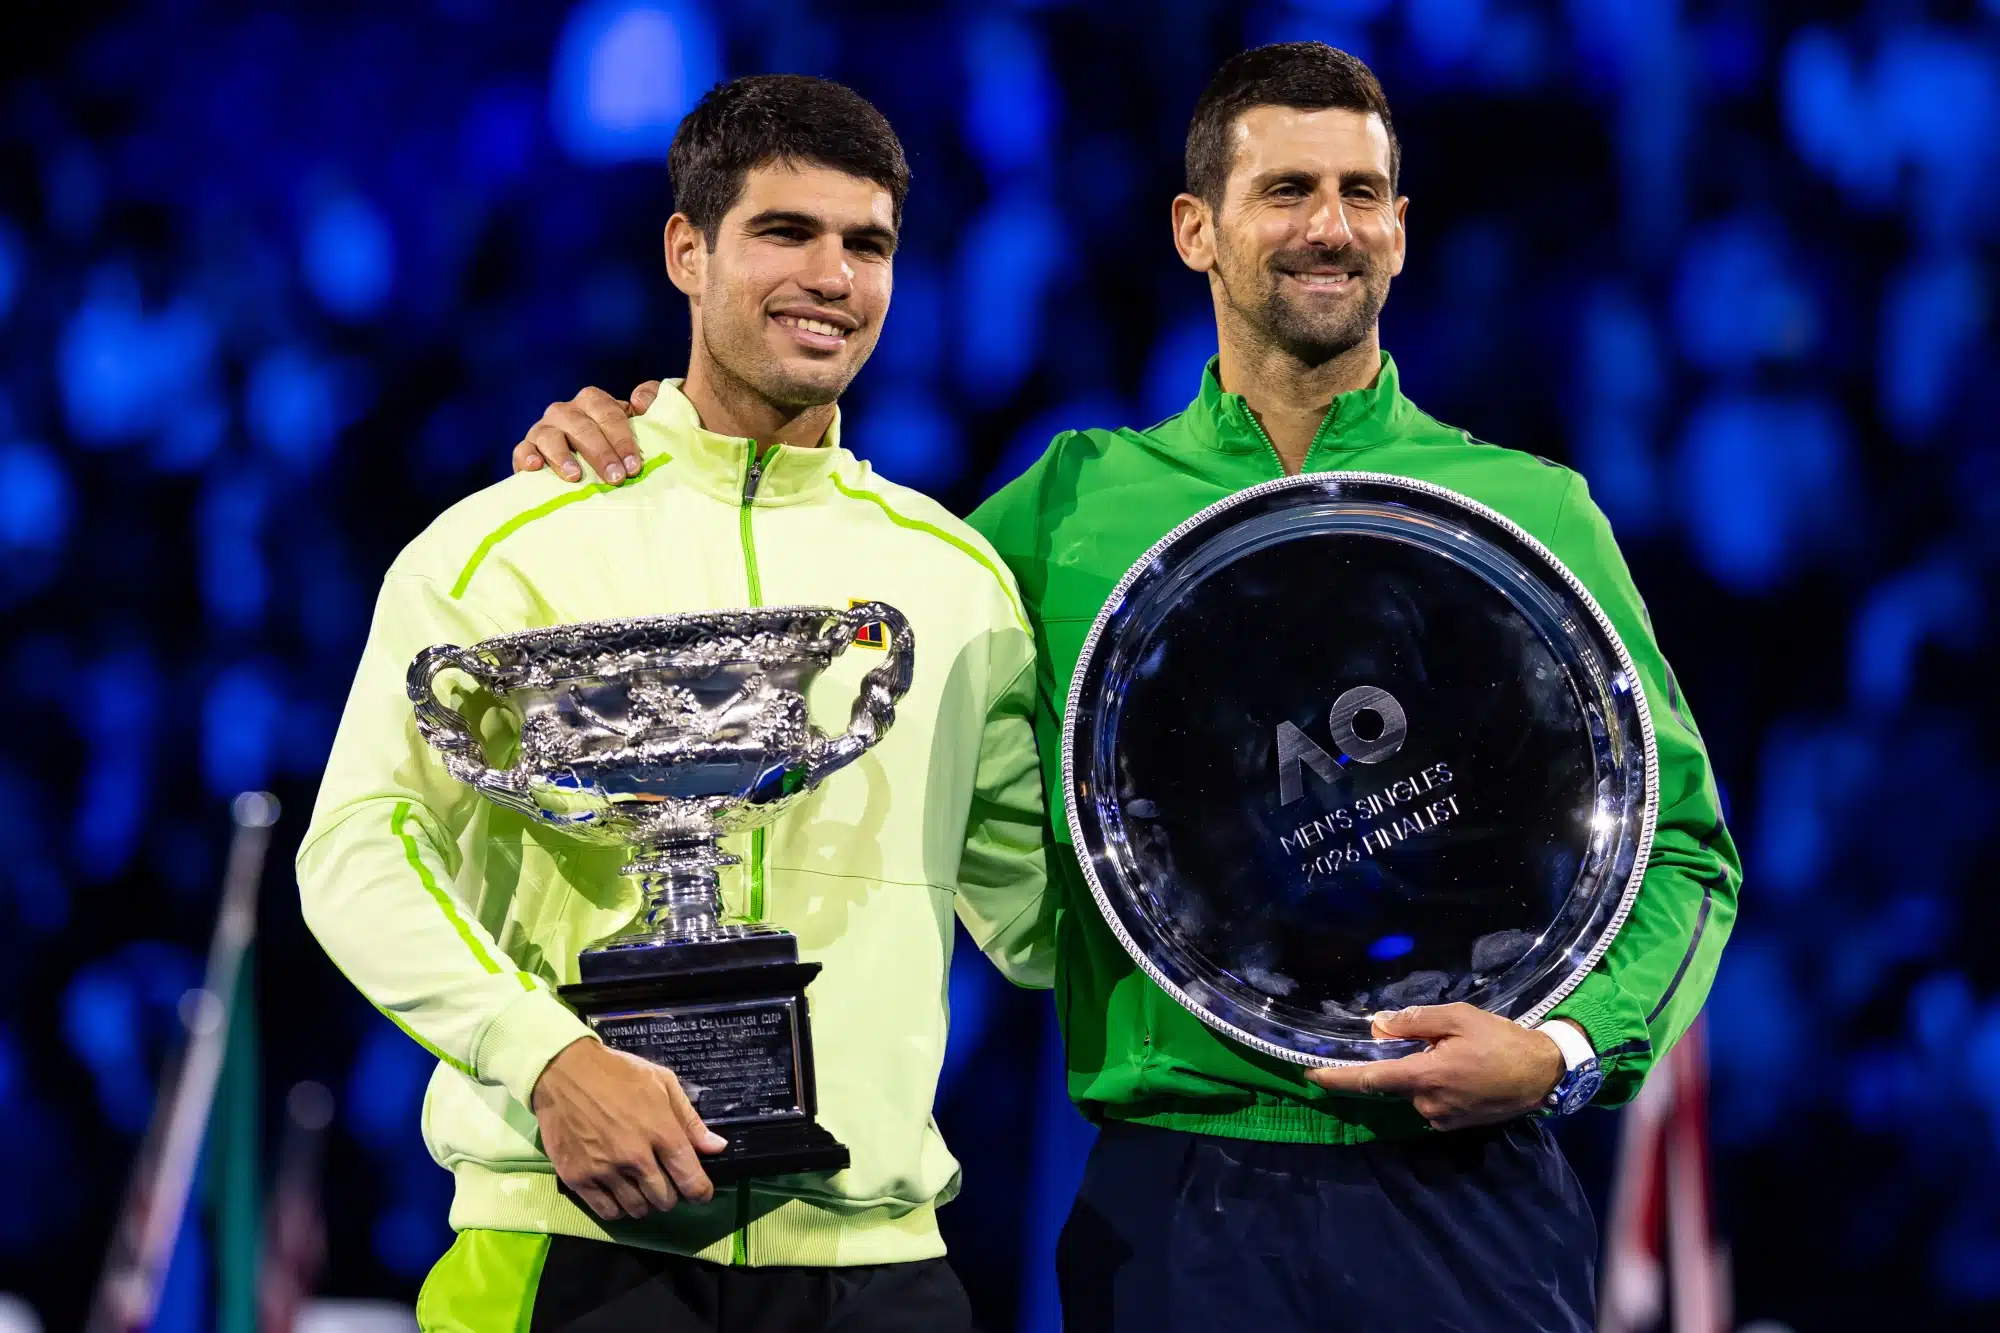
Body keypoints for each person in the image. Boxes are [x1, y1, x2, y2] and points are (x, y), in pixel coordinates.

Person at [517, 43, 1740, 1333]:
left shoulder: (1527, 513)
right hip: (1177, 1198)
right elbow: (815, 615)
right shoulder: (1068, 510)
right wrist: (661, 450)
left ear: (1398, 228)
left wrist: (1560, 1052)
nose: (1330, 228)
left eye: (1361, 194)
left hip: (1467, 1190)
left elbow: (1684, 852)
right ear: (1193, 229)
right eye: (1285, 192)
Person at [300, 74, 1055, 1333]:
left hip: (875, 1261)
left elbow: (1035, 924)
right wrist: (543, 1057)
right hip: (568, 1234)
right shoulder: (507, 545)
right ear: (686, 250)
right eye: (785, 232)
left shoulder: (952, 579)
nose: (833, 276)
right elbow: (358, 849)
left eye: (866, 244)